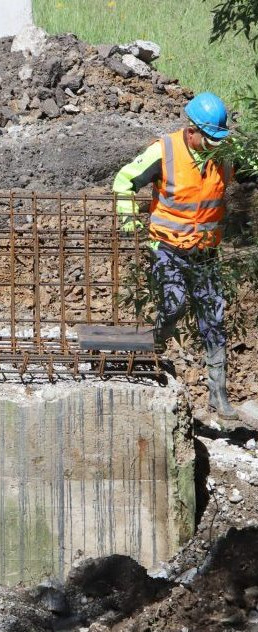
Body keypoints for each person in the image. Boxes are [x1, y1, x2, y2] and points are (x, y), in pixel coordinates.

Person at [113, 91, 238, 420]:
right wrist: (129, 223)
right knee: (174, 302)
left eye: (219, 139)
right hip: (167, 248)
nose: (215, 145)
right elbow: (124, 179)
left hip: (205, 253)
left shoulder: (226, 155)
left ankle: (218, 394)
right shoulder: (164, 151)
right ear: (193, 130)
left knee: (213, 317)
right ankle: (153, 348)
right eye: (210, 139)